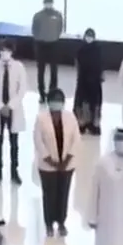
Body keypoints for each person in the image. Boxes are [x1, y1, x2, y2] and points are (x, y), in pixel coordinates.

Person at [33, 89, 81, 236]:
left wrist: (66, 160)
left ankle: (61, 222)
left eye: (59, 100)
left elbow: (76, 139)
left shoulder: (70, 117)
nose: (56, 103)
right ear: (48, 102)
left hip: (67, 165)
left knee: (63, 193)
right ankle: (48, 224)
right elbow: (38, 141)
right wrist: (51, 161)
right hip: (47, 165)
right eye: (54, 100)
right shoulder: (41, 119)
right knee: (49, 194)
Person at [0, 40, 28, 185]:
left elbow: (22, 89)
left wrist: (10, 106)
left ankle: (15, 172)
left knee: (14, 142)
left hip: (13, 110)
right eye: (2, 50)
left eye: (7, 50)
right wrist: (0, 106)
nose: (5, 52)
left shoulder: (19, 67)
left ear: (12, 51)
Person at [31, 0, 65, 102]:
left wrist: (54, 37)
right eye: (46, 3)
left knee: (54, 71)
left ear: (52, 3)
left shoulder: (58, 15)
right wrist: (39, 38)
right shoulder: (38, 16)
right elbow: (34, 29)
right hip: (41, 45)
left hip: (54, 44)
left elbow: (60, 28)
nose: (48, 5)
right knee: (41, 71)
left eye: (50, 2)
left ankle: (52, 93)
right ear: (44, 4)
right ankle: (41, 93)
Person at [73, 28, 104, 135]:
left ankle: (94, 124)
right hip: (83, 79)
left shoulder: (98, 49)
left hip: (95, 80)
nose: (89, 37)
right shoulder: (80, 50)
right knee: (82, 101)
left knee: (95, 102)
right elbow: (77, 64)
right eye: (88, 35)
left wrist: (100, 75)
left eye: (91, 35)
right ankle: (82, 123)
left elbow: (101, 65)